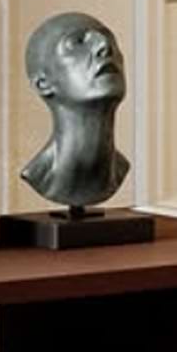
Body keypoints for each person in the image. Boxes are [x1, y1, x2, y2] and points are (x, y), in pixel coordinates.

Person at [20, 11, 131, 213]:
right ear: (43, 83)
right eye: (78, 42)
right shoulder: (40, 175)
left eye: (110, 40)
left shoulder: (119, 170)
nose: (105, 47)